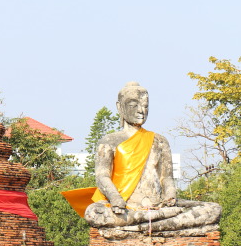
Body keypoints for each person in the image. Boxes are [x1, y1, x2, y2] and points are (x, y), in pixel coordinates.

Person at [62, 82, 221, 237]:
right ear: (120, 107)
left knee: (213, 209)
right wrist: (116, 198)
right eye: (134, 105)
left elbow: (166, 178)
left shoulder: (159, 141)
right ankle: (159, 226)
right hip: (125, 208)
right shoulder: (109, 141)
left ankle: (141, 227)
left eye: (145, 106)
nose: (141, 111)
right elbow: (102, 176)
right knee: (94, 213)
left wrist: (170, 194)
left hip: (158, 207)